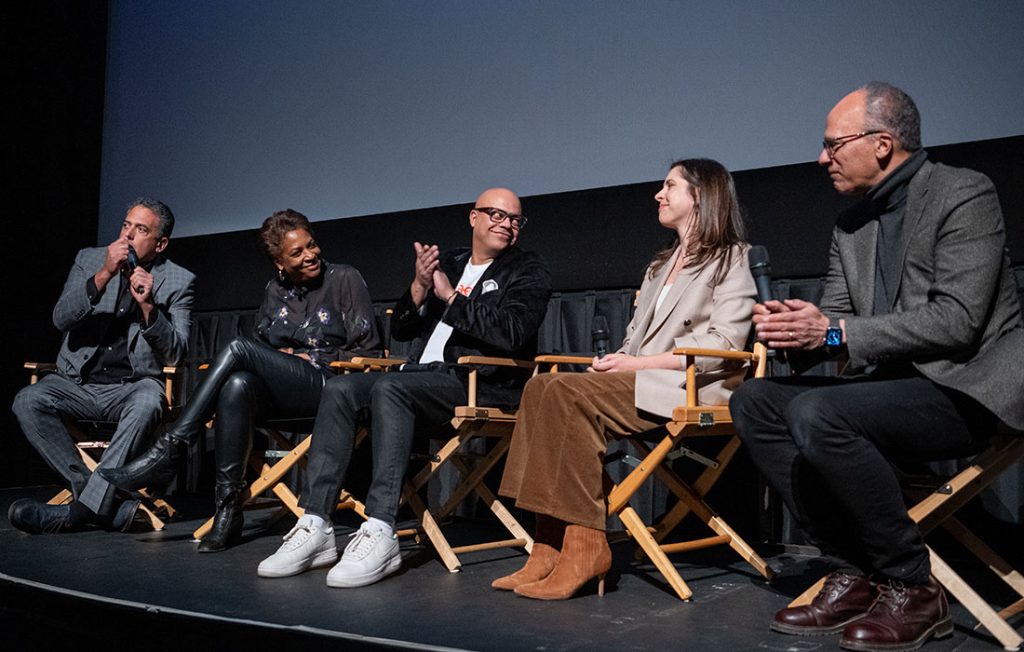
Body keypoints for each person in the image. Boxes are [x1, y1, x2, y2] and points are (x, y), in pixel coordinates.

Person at [730, 82, 1024, 652]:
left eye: (832, 145)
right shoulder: (851, 225)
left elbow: (958, 321)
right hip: (884, 390)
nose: (822, 159)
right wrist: (801, 331)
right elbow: (838, 321)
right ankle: (852, 569)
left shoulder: (964, 193)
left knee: (819, 411)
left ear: (882, 143)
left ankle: (912, 583)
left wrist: (834, 330)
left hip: (965, 387)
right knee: (755, 402)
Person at [255, 187, 551, 587]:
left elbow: (513, 334)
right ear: (474, 217)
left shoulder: (527, 270)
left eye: (515, 219)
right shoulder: (451, 261)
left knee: (389, 390)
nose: (506, 224)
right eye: (496, 215)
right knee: (341, 390)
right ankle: (316, 522)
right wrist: (419, 285)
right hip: (421, 376)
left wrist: (451, 298)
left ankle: (380, 528)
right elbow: (403, 327)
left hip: (476, 383)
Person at [494, 158, 756, 600]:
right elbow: (635, 343)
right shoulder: (658, 268)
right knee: (542, 385)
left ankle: (583, 548)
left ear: (700, 195)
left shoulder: (733, 258)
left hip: (692, 388)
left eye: (669, 186)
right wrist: (619, 359)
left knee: (567, 394)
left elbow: (727, 345)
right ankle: (546, 547)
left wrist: (637, 366)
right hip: (641, 382)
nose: (659, 194)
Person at [101, 209, 381, 552]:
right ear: (279, 263)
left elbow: (370, 352)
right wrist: (285, 360)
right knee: (237, 386)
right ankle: (228, 510)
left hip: (333, 386)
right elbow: (263, 354)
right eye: (297, 253)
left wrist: (311, 358)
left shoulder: (344, 278)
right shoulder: (274, 291)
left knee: (237, 348)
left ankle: (171, 449)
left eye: (311, 245)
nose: (310, 255)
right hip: (287, 394)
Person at [9, 198, 195, 534]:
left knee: (149, 400)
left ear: (160, 243)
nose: (128, 236)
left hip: (131, 388)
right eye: (126, 225)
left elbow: (175, 355)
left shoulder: (179, 280)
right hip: (78, 384)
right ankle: (98, 500)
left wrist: (150, 308)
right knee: (27, 399)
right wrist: (105, 274)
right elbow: (61, 318)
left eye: (141, 230)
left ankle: (75, 514)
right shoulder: (90, 259)